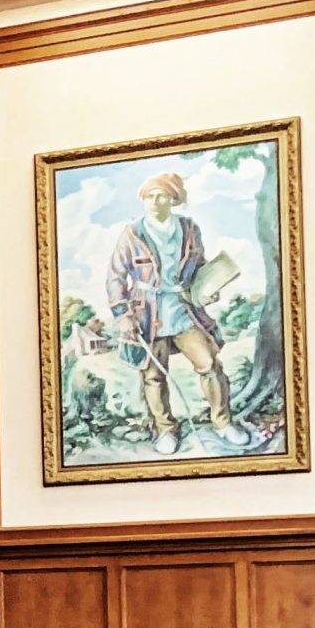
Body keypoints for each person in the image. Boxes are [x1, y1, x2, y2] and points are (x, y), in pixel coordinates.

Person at [104, 171, 258, 455]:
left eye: (160, 195)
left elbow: (199, 267)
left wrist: (207, 290)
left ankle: (223, 423)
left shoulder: (189, 229)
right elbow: (115, 277)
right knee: (153, 376)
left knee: (209, 364)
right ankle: (165, 429)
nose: (154, 201)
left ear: (173, 199)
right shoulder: (132, 234)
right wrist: (123, 316)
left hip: (185, 311)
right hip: (147, 316)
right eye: (149, 196)